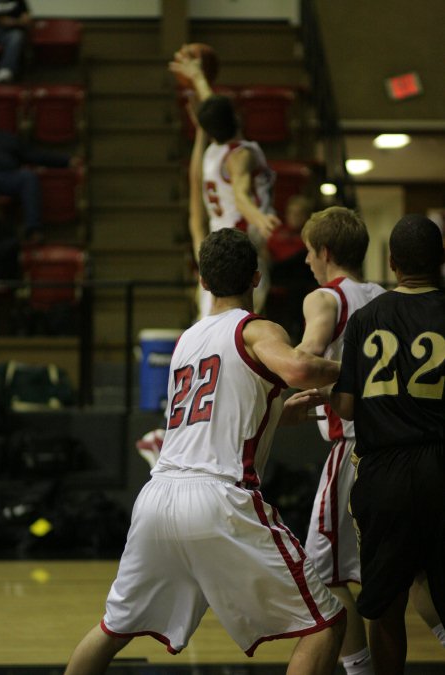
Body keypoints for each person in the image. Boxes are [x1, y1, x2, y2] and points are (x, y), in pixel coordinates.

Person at [64, 227, 347, 675]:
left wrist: (277, 413)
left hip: (158, 496)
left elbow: (215, 413)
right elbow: (298, 367)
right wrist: (361, 369)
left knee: (112, 629)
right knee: (326, 623)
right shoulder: (255, 328)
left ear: (202, 281)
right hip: (218, 498)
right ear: (257, 278)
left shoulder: (187, 341)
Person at [329, 213, 445, 675]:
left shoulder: (365, 319)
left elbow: (347, 407)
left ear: (392, 262)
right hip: (442, 465)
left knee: (384, 602)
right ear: (441, 260)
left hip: (385, 472)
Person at [297, 206, 386, 675]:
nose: (307, 262)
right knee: (406, 574)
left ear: (325, 252)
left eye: (309, 253)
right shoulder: (385, 296)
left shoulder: (325, 298)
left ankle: (359, 669)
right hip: (401, 448)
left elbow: (307, 358)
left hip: (352, 450)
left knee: (321, 571)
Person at [170, 47, 280, 317]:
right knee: (240, 326)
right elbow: (241, 196)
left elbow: (213, 114)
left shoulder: (211, 153)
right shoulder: (240, 154)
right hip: (240, 245)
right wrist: (258, 217)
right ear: (237, 118)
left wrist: (198, 79)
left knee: (212, 326)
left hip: (213, 243)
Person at [0, 126, 81, 240]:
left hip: (6, 177)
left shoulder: (6, 138)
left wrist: (66, 160)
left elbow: (35, 156)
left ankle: (33, 230)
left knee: (28, 177)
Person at [266, 194, 317, 343]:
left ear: (306, 216)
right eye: (291, 212)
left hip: (302, 290)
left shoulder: (311, 237)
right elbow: (271, 260)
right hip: (279, 288)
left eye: (298, 213)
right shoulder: (277, 234)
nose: (294, 216)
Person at [0, 0, 32, 83]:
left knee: (17, 35)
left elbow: (26, 20)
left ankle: (5, 71)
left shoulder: (19, 2)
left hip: (10, 32)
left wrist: (13, 22)